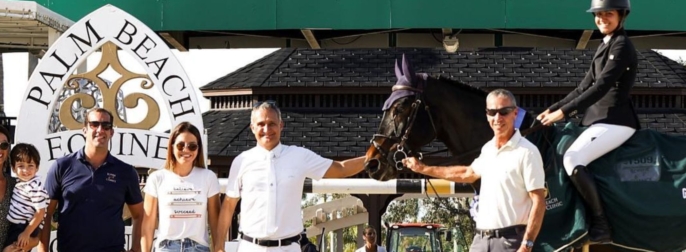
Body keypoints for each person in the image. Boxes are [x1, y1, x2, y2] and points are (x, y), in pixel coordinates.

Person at [536, 0, 640, 244]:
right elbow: (583, 87)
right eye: (598, 15)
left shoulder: (622, 45)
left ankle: (602, 225)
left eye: (608, 14)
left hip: (616, 121)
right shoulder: (604, 45)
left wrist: (563, 112)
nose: (602, 19)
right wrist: (551, 109)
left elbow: (601, 87)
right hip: (596, 120)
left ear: (621, 16)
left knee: (572, 158)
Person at [402, 89, 546, 252]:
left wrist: (526, 245)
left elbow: (539, 201)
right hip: (480, 241)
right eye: (492, 112)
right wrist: (422, 168)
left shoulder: (527, 152)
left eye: (503, 112)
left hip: (511, 242)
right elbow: (467, 173)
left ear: (515, 113)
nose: (498, 118)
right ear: (487, 115)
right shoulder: (488, 149)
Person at [214, 101, 368, 252]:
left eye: (272, 123)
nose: (267, 129)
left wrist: (373, 156)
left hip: (289, 247)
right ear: (252, 128)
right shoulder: (241, 161)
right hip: (250, 247)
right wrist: (219, 246)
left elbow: (340, 169)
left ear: (281, 125)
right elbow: (228, 206)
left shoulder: (299, 156)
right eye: (261, 124)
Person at [39, 108, 145, 252]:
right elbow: (45, 213)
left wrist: (136, 249)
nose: (100, 130)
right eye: (94, 124)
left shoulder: (125, 171)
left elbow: (139, 215)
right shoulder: (61, 166)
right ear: (84, 130)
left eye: (106, 126)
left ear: (111, 132)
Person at [141, 122, 220, 252]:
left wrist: (219, 248)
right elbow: (148, 225)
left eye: (192, 146)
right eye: (180, 145)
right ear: (172, 147)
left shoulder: (208, 177)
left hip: (198, 248)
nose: (186, 150)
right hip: (166, 247)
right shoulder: (157, 178)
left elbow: (215, 221)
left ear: (198, 149)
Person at [4, 143, 48, 252]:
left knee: (10, 249)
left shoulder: (34, 186)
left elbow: (41, 212)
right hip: (17, 226)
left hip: (24, 227)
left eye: (30, 166)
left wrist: (26, 233)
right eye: (21, 166)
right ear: (13, 168)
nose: (25, 170)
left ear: (37, 167)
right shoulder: (20, 183)